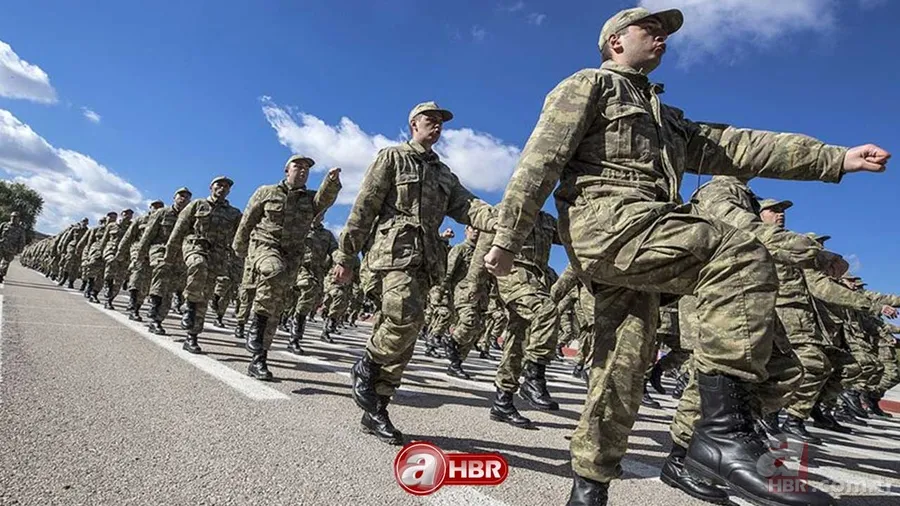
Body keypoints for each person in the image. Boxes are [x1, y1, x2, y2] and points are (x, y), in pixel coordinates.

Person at [482, 7, 890, 506]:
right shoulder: (589, 85)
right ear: (615, 41)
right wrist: (508, 236)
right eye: (649, 30)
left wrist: (837, 158)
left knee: (622, 369)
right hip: (609, 225)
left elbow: (740, 146)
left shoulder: (668, 121)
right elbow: (539, 160)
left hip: (647, 234)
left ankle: (592, 487)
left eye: (665, 33)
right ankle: (715, 439)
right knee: (740, 253)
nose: (661, 39)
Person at [333, 101, 496, 446]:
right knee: (404, 315)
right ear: (413, 124)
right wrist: (345, 255)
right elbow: (364, 207)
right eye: (430, 120)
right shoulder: (391, 158)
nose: (436, 126)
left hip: (426, 261)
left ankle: (376, 408)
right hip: (392, 255)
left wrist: (498, 218)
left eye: (440, 122)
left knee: (405, 337)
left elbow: (468, 206)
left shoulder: (444, 174)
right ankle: (366, 363)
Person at [232, 156, 341, 379]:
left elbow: (324, 200)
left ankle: (259, 358)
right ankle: (255, 324)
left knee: (276, 305)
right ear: (286, 170)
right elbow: (248, 220)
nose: (302, 171)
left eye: (306, 169)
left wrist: (330, 181)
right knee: (274, 270)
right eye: (297, 167)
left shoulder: (310, 199)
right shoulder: (267, 192)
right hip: (265, 245)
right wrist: (240, 249)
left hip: (292, 256)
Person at [165, 178, 241, 353]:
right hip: (195, 245)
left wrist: (237, 263)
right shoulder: (198, 204)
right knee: (198, 265)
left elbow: (240, 237)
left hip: (218, 255)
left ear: (229, 191)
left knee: (205, 295)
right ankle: (189, 306)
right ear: (211, 187)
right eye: (219, 185)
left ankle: (192, 336)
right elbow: (179, 228)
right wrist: (169, 256)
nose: (222, 188)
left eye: (226, 186)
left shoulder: (234, 213)